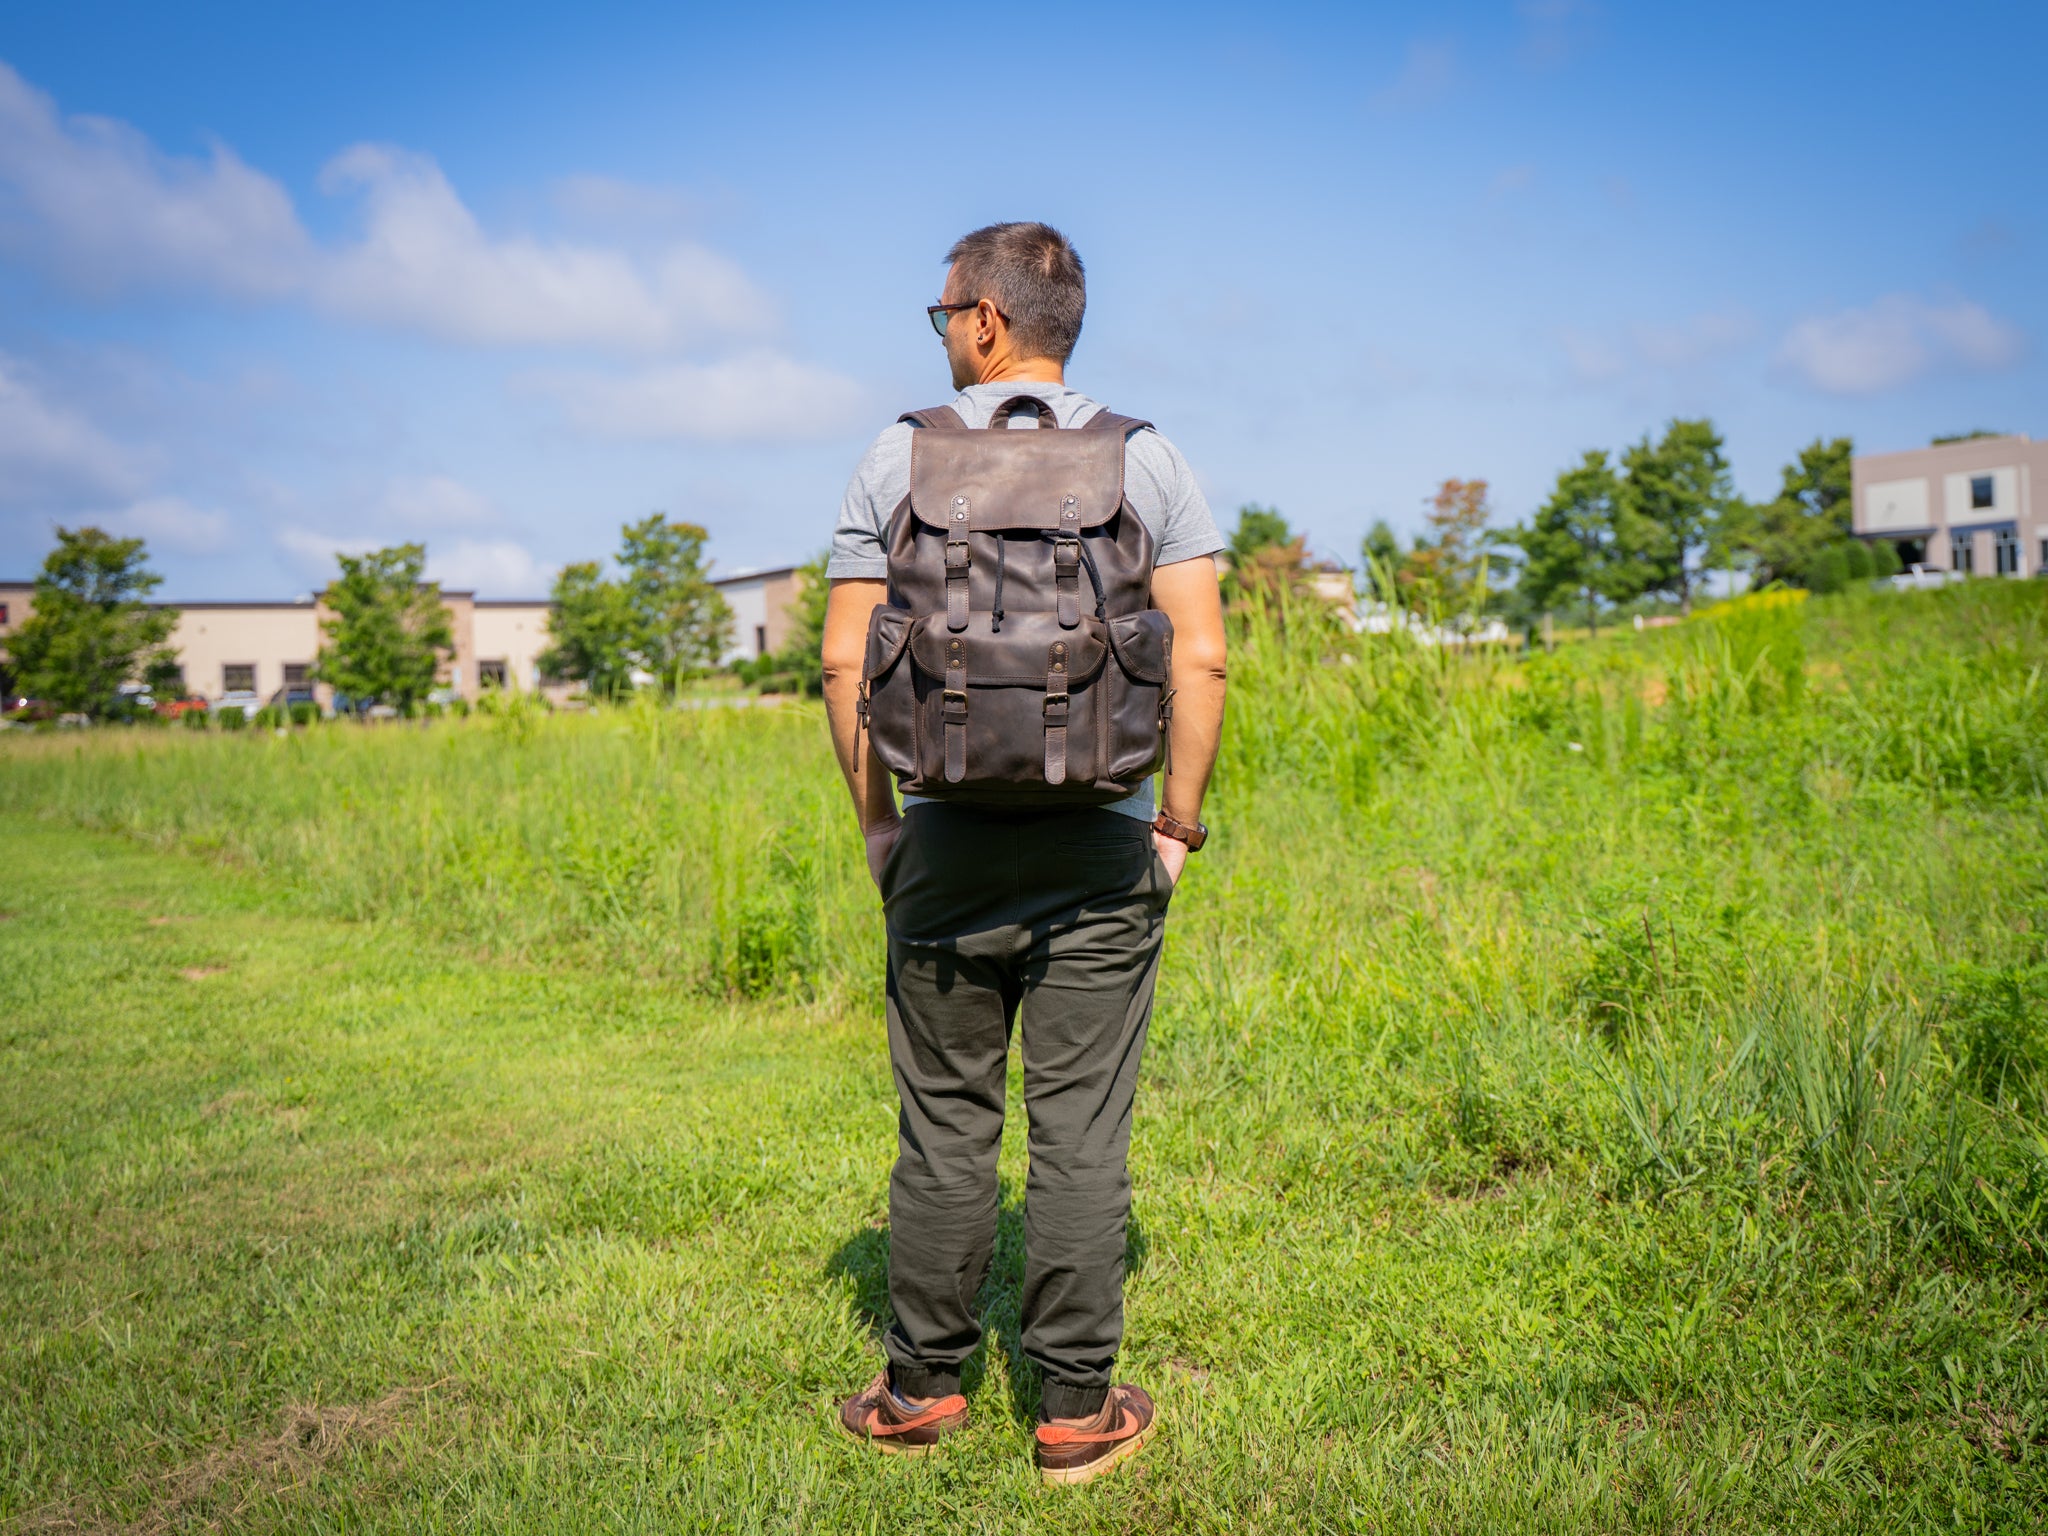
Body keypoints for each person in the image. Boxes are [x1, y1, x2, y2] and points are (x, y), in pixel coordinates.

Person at [821, 221, 1227, 1486]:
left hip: (942, 845)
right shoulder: (1146, 461)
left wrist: (884, 830)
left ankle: (921, 1391)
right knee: (1081, 1134)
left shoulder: (897, 455)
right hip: (1099, 854)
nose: (939, 330)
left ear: (984, 322)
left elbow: (843, 662)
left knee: (944, 1125)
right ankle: (1071, 1416)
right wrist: (1172, 828)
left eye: (941, 311)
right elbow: (1203, 658)